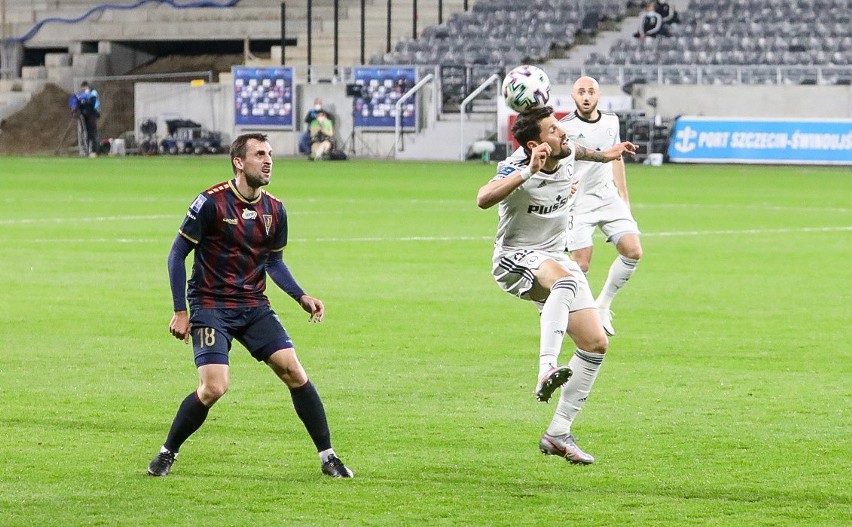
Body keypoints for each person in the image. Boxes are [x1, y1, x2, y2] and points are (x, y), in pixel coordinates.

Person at [146, 133, 354, 479]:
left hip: (253, 304)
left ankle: (328, 457)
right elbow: (177, 253)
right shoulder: (210, 203)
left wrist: (300, 296)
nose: (269, 160)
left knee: (294, 371)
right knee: (214, 387)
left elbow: (273, 262)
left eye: (270, 154)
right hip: (210, 304)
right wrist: (180, 310)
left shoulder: (275, 209)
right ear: (239, 162)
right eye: (260, 154)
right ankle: (168, 452)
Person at [476, 106, 637, 464]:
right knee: (563, 282)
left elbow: (583, 151)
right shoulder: (517, 169)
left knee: (595, 344)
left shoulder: (568, 153)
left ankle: (558, 432)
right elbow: (483, 198)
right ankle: (546, 366)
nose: (563, 133)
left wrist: (607, 155)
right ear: (536, 145)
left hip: (553, 255)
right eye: (553, 130)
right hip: (515, 258)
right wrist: (526, 173)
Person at [561, 76, 644, 337]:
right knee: (581, 265)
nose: (586, 96)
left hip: (608, 197)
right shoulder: (564, 127)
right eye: (581, 92)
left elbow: (615, 157)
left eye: (591, 92)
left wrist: (624, 196)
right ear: (572, 97)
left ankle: (602, 306)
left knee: (633, 251)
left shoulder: (611, 121)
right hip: (579, 203)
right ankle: (568, 312)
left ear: (599, 96)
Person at [74, 81, 100, 157]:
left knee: (92, 133)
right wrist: (78, 110)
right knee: (83, 133)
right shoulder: (82, 95)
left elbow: (93, 104)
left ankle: (93, 151)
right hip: (84, 116)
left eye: (84, 89)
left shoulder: (93, 94)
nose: (83, 90)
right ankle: (85, 151)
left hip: (91, 115)